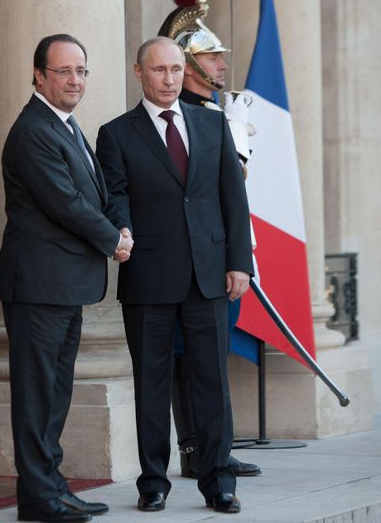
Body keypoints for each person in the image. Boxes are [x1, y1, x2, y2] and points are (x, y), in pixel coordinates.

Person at [95, 37, 253, 514]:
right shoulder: (115, 134)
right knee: (151, 385)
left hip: (209, 275)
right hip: (148, 276)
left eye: (176, 70)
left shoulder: (212, 124)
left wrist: (239, 263)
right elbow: (115, 196)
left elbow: (233, 198)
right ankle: (152, 483)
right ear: (139, 72)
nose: (169, 80)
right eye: (159, 70)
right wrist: (120, 229)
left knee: (212, 383)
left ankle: (219, 481)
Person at [0, 33, 128, 523]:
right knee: (37, 396)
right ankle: (37, 497)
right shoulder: (33, 130)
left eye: (81, 71)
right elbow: (65, 203)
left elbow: (93, 195)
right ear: (38, 76)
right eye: (64, 71)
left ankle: (52, 487)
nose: (75, 80)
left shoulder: (65, 126)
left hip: (61, 286)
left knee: (54, 393)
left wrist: (119, 225)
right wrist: (113, 239)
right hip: (38, 285)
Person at [157, 0, 261, 479]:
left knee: (213, 356)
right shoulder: (184, 117)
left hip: (220, 254)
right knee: (188, 355)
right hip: (193, 260)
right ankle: (195, 448)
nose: (221, 64)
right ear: (189, 63)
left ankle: (215, 447)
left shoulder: (215, 113)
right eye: (212, 57)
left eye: (220, 57)